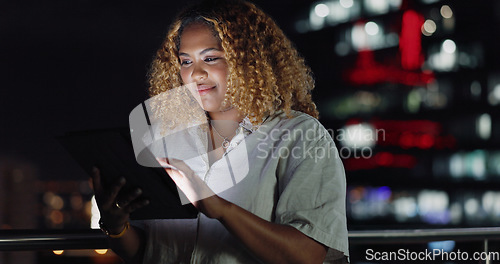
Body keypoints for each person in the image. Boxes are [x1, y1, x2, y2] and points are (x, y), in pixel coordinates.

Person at [91, 0, 349, 263]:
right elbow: (150, 249)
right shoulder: (166, 138)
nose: (196, 74)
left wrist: (222, 210)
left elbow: (308, 256)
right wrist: (117, 226)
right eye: (185, 61)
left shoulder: (300, 135)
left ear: (250, 60)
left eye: (211, 58)